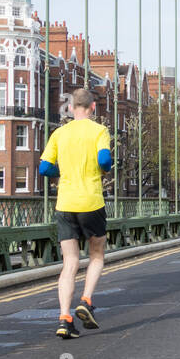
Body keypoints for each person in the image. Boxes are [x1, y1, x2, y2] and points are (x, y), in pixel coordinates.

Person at [39, 87, 112, 339]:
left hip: (65, 204)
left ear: (70, 108)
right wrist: (105, 170)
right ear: (93, 108)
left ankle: (64, 318)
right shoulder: (99, 131)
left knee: (69, 263)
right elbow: (104, 161)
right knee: (96, 255)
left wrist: (61, 175)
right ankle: (86, 301)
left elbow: (44, 168)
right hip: (91, 203)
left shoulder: (59, 133)